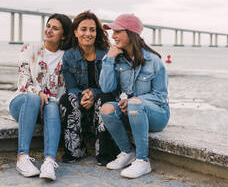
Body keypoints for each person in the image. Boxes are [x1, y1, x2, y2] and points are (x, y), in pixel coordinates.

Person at [99, 14, 170, 178]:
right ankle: (127, 152)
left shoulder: (154, 61)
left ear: (131, 33)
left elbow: (160, 96)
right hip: (130, 113)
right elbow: (106, 87)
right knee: (107, 109)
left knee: (136, 103)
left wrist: (133, 101)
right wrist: (109, 59)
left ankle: (143, 161)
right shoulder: (116, 59)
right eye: (113, 31)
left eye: (118, 31)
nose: (113, 35)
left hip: (157, 115)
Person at [8, 13, 72, 181]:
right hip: (23, 102)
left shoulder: (67, 56)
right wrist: (38, 92)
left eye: (55, 28)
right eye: (48, 26)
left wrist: (48, 99)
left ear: (64, 35)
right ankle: (22, 157)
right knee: (34, 98)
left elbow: (64, 90)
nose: (49, 30)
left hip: (48, 108)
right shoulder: (29, 48)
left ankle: (49, 162)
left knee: (52, 105)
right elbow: (23, 81)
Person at [60, 11, 120, 166]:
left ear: (97, 32)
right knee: (67, 98)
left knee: (104, 98)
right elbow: (71, 87)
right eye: (83, 29)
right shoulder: (68, 56)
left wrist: (93, 93)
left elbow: (113, 88)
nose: (88, 33)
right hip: (81, 107)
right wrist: (83, 96)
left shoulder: (107, 54)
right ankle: (74, 150)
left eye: (92, 30)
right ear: (75, 32)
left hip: (100, 107)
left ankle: (104, 153)